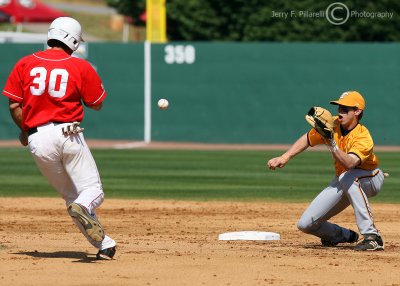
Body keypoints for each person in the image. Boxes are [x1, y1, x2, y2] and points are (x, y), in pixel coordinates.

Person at [2, 17, 116, 260]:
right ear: (73, 40)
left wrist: (24, 130)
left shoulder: (24, 63)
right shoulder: (80, 66)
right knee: (92, 192)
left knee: (71, 198)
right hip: (68, 134)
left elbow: (14, 105)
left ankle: (104, 245)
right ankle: (85, 209)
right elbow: (97, 104)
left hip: (37, 140)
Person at [267, 91, 385, 251]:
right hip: (345, 180)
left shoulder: (363, 136)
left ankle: (372, 237)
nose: (340, 111)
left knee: (348, 177)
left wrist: (331, 143)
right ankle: (340, 235)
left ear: (357, 111)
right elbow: (308, 138)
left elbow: (350, 163)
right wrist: (285, 157)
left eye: (345, 108)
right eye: (339, 108)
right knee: (306, 224)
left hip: (370, 177)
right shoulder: (333, 124)